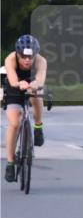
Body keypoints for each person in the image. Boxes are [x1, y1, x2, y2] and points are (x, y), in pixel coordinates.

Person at [4, 35, 47, 182]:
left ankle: (38, 126)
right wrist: (18, 84)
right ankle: (10, 163)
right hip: (14, 85)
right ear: (17, 53)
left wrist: (35, 84)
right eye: (23, 56)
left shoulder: (41, 61)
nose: (27, 60)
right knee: (14, 123)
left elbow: (40, 79)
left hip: (32, 83)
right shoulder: (10, 59)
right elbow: (12, 78)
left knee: (37, 94)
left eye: (31, 56)